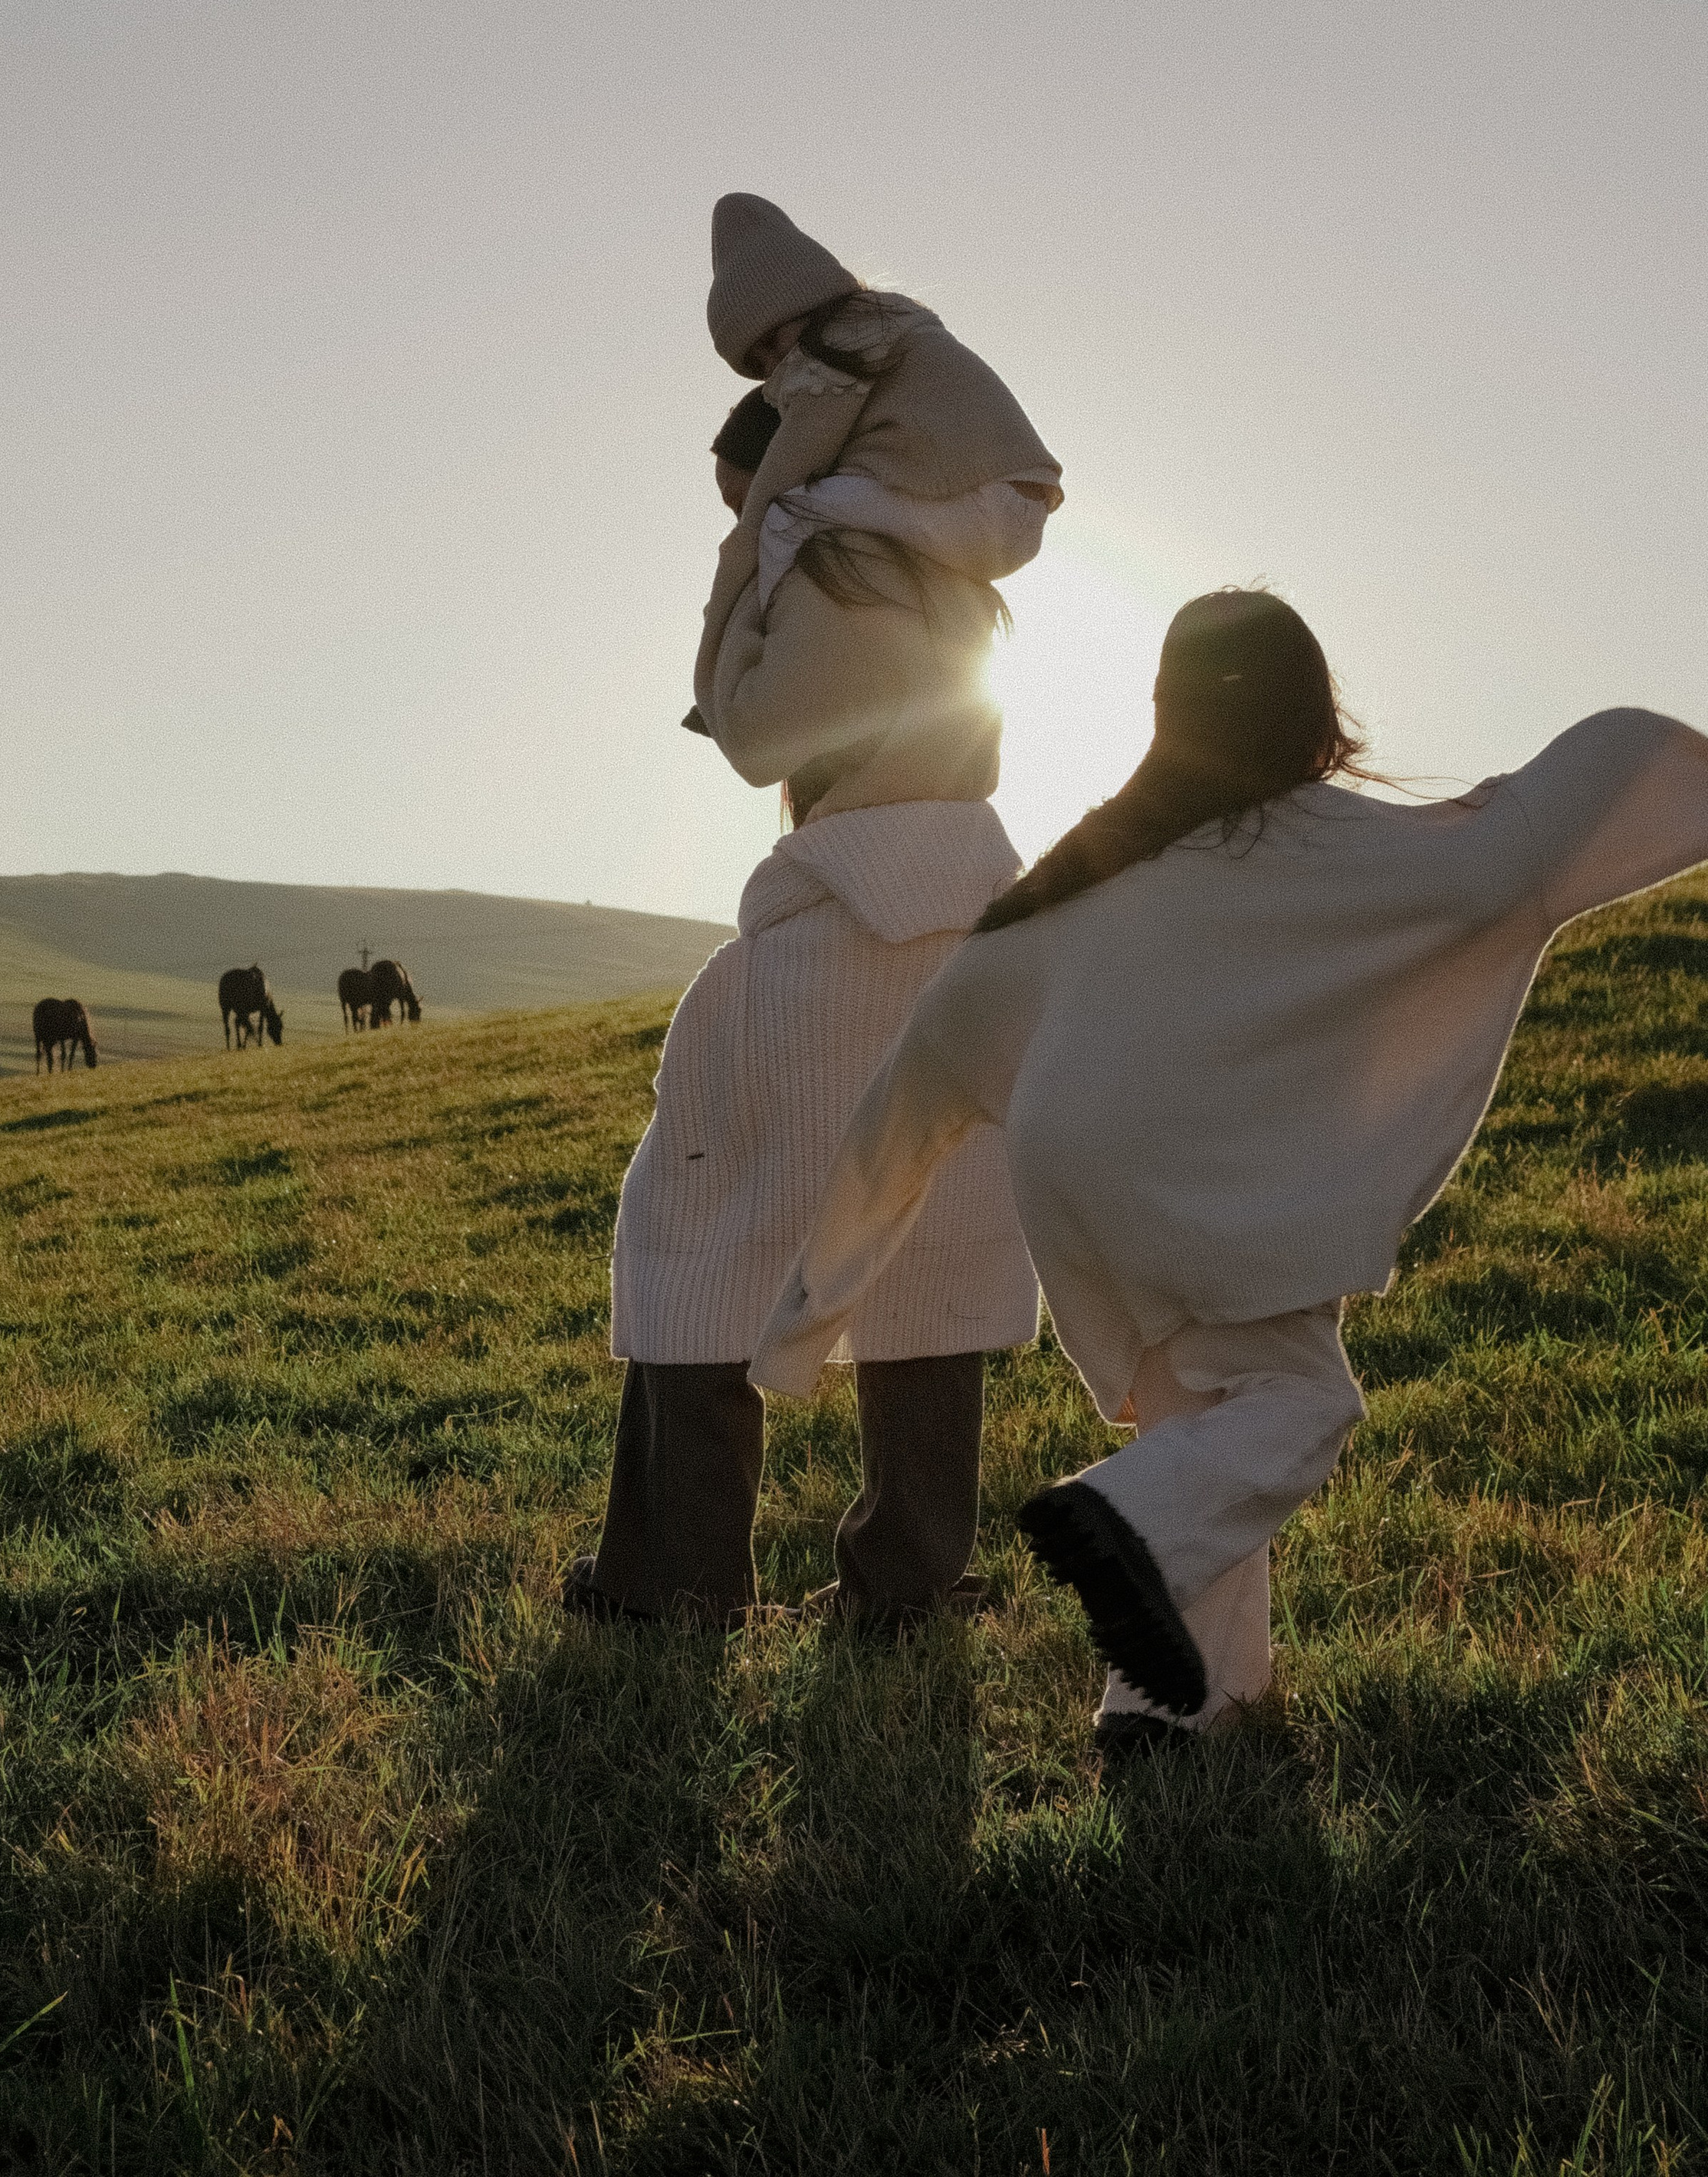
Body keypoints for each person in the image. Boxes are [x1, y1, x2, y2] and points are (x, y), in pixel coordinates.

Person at [749, 589, 1708, 1742]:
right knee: (1294, 1404)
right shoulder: (1330, 839)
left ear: (1169, 716)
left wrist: (809, 1312)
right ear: (1316, 713)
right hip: (1203, 1182)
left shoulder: (1080, 875)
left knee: (1204, 1427)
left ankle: (1170, 1712)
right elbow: (1548, 825)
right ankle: (1122, 1525)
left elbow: (912, 1093)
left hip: (1081, 1182)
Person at [563, 370, 1046, 1632]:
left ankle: (674, 1579)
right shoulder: (946, 576)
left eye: (742, 491)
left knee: (693, 1235)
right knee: (927, 1241)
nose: (736, 518)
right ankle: (909, 1584)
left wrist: (745, 555)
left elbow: (754, 736)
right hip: (958, 915)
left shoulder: (820, 567)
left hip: (844, 910)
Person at [687, 193, 1065, 731]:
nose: (775, 368)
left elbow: (784, 475)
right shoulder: (888, 332)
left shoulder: (842, 347)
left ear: (798, 300)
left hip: (986, 507)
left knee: (784, 517)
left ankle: (763, 653)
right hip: (1003, 508)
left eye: (772, 343)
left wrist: (727, 608)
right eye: (760, 364)